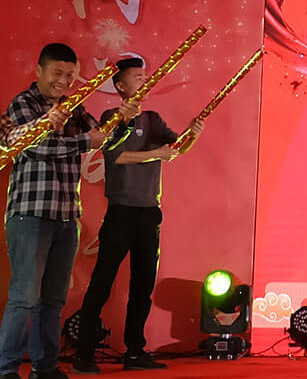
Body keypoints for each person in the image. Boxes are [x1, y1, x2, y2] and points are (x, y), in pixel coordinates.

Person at [0, 44, 138, 379]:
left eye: (70, 75)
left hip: (66, 218)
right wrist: (85, 141)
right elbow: (36, 146)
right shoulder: (24, 103)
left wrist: (123, 121)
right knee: (25, 297)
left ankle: (45, 367)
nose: (63, 81)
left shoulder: (75, 107)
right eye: (57, 73)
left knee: (53, 300)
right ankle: (6, 369)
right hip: (30, 215)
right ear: (40, 71)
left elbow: (103, 139)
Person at [72, 55, 204, 373]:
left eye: (145, 75)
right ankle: (83, 355)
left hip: (149, 212)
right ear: (120, 86)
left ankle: (135, 352)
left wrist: (193, 133)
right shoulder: (111, 117)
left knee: (143, 285)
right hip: (121, 212)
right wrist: (156, 153)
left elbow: (176, 149)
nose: (143, 80)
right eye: (136, 77)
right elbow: (116, 156)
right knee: (102, 282)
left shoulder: (154, 119)